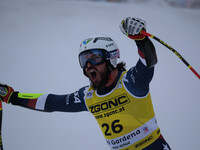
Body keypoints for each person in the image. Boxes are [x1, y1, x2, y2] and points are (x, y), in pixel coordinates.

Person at [0, 17, 171, 150]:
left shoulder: (130, 82)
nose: (88, 66)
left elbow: (148, 61)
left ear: (111, 59)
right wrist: (13, 97)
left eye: (95, 58)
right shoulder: (87, 96)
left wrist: (140, 39)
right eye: (84, 60)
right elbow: (52, 102)